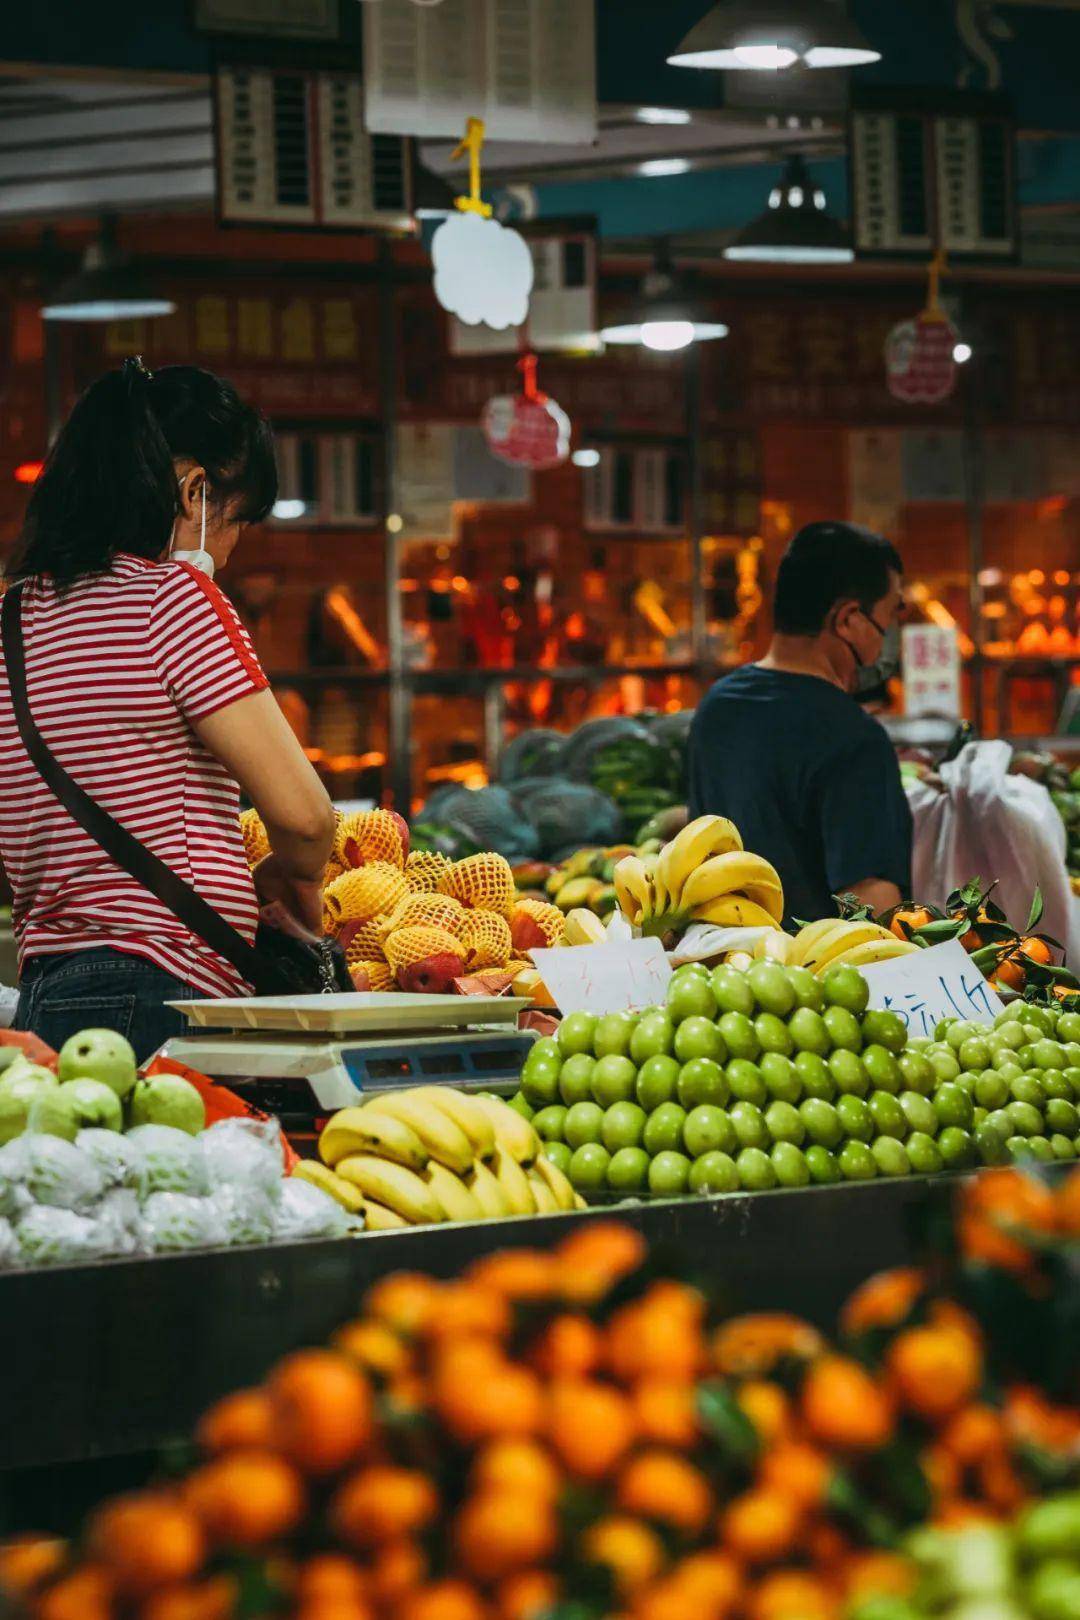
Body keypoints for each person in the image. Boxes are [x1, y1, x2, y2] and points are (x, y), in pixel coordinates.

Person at [0, 359, 336, 1060]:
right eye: (237, 522)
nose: (233, 548)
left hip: (44, 997)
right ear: (194, 494)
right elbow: (306, 819)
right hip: (164, 989)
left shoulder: (10, 621)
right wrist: (281, 872)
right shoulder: (173, 601)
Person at [688, 521, 911, 923]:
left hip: (720, 969)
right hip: (818, 978)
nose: (889, 635)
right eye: (891, 614)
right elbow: (869, 901)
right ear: (848, 619)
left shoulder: (716, 708)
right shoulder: (853, 737)